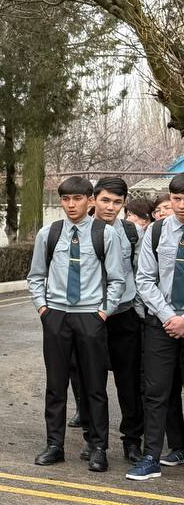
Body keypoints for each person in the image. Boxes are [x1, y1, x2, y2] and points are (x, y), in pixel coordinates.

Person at [27, 176, 126, 471]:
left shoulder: (104, 234)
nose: (72, 205)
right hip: (56, 316)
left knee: (94, 385)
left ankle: (98, 448)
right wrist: (43, 308)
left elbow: (117, 279)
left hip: (90, 317)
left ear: (90, 200)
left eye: (78, 199)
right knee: (55, 385)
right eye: (66, 199)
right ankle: (54, 445)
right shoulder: (50, 233)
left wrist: (104, 312)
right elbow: (36, 276)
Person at [129, 173, 184, 480]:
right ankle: (151, 455)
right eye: (176, 198)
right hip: (161, 323)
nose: (181, 205)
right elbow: (145, 279)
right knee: (157, 390)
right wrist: (169, 317)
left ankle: (180, 446)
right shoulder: (158, 231)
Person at [89, 178, 143, 463]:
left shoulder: (132, 233)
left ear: (123, 205)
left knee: (129, 382)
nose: (110, 207)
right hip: (89, 317)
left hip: (123, 317)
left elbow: (141, 273)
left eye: (117, 202)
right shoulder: (78, 231)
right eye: (105, 200)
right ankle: (94, 440)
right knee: (91, 381)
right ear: (94, 199)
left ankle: (132, 441)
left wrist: (138, 311)